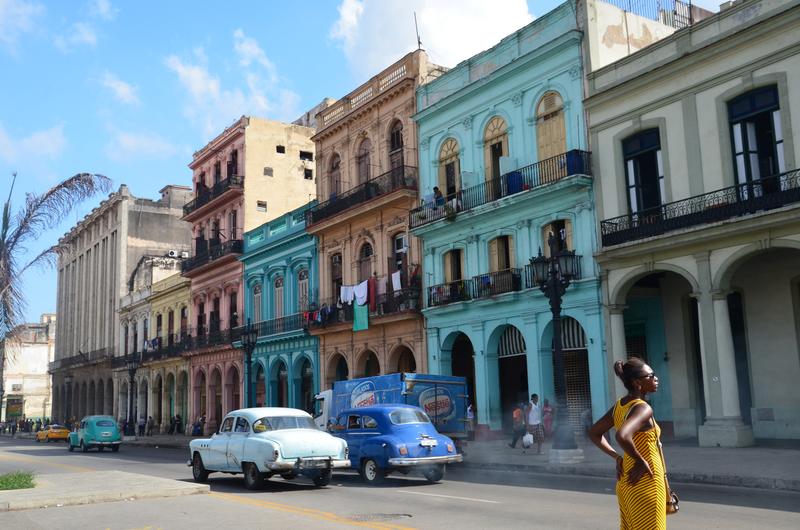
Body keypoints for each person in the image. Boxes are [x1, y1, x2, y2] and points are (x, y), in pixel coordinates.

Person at [588, 358, 667, 530]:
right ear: (638, 383)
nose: (656, 378)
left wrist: (617, 457)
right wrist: (640, 460)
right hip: (647, 480)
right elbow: (622, 436)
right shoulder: (643, 408)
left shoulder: (620, 406)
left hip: (627, 483)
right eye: (651, 375)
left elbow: (594, 432)